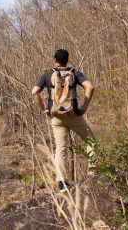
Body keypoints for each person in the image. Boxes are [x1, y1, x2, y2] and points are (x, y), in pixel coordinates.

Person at [31, 49, 96, 192]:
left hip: (56, 117)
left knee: (61, 149)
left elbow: (34, 92)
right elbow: (90, 87)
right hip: (73, 115)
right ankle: (93, 175)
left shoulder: (47, 75)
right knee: (91, 141)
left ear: (54, 59)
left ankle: (61, 182)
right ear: (67, 59)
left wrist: (43, 109)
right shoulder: (75, 72)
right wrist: (84, 106)